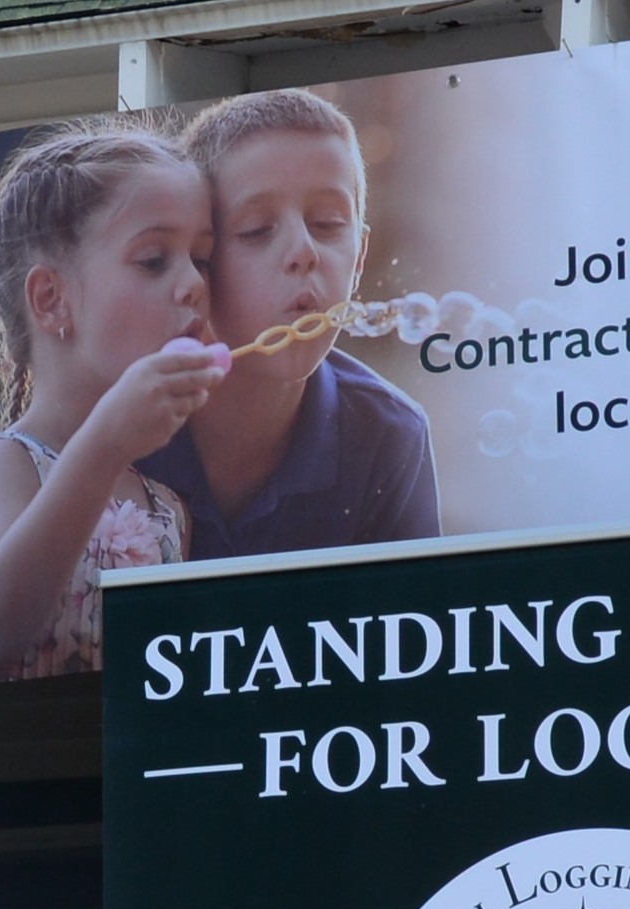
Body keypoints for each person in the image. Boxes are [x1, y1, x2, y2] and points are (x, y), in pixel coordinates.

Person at [0, 123, 231, 679]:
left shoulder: (169, 508)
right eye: (153, 260)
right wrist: (107, 440)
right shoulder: (14, 461)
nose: (193, 284)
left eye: (202, 258)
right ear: (51, 300)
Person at [140, 88, 440, 559]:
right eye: (257, 230)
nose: (304, 252)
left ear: (359, 257)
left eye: (327, 222)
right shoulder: (123, 419)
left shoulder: (389, 435)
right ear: (198, 257)